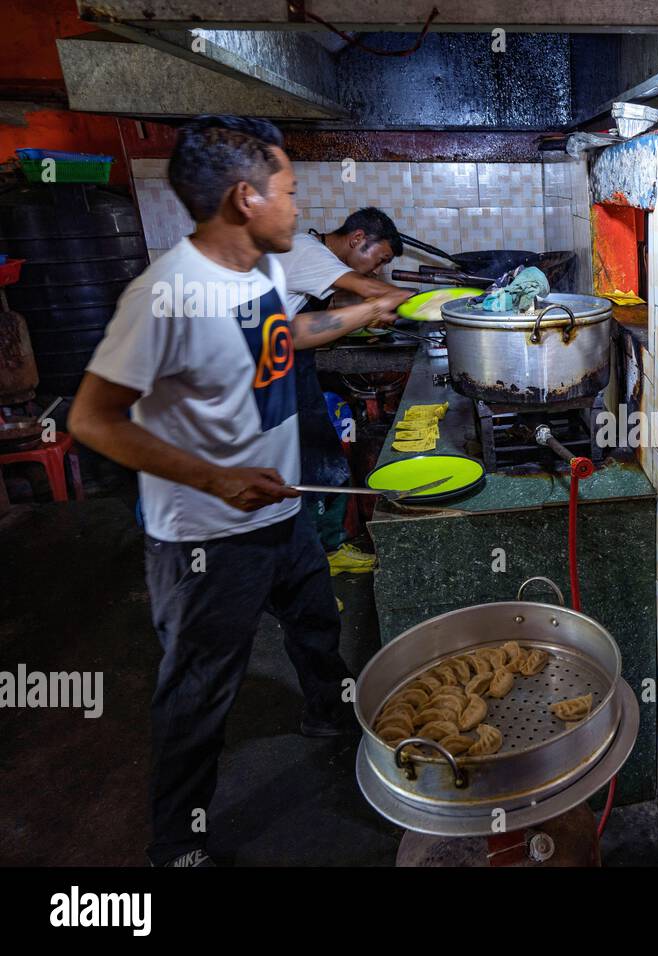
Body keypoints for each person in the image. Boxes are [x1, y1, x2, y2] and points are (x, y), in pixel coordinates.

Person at [68, 115, 409, 867]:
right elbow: (92, 418)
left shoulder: (260, 272)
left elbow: (286, 338)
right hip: (206, 537)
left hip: (279, 511)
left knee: (315, 625)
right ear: (244, 199)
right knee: (197, 693)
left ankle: (328, 717)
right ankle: (175, 846)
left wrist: (366, 308)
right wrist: (215, 477)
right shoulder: (165, 295)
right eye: (287, 192)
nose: (297, 207)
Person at [275, 208, 408, 576]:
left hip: (293, 363)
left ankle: (326, 549)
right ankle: (311, 562)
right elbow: (370, 290)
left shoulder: (313, 254)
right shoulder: (308, 251)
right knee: (311, 462)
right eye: (379, 259)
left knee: (321, 457)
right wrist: (423, 303)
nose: (377, 270)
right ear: (357, 239)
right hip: (276, 370)